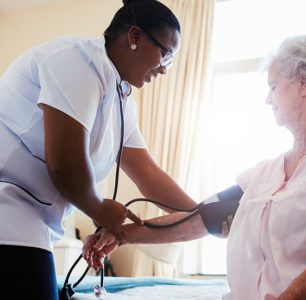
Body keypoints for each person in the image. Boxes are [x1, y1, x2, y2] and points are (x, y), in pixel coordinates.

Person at [84, 33, 306, 299]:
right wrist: (121, 235)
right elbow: (200, 219)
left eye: (273, 86)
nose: (267, 99)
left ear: (303, 84)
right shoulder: (265, 173)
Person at [0, 0, 199, 299]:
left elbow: (149, 175)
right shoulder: (77, 61)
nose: (164, 69)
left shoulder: (122, 100)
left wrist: (202, 215)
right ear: (134, 37)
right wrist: (99, 209)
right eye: (165, 54)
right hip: (8, 212)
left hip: (32, 223)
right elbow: (64, 166)